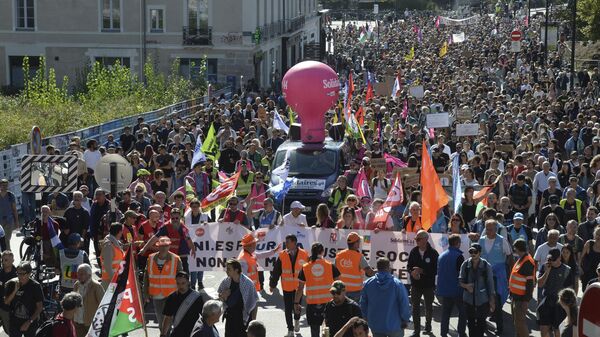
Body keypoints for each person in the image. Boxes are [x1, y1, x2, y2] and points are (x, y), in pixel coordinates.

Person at [295, 242, 340, 337]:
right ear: (323, 252)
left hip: (312, 304)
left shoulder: (305, 267)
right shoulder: (330, 266)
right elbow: (338, 284)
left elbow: (300, 288)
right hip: (329, 304)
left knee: (314, 331)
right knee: (328, 331)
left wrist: (296, 303)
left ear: (312, 252)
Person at [269, 234, 309, 336]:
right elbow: (276, 271)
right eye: (285, 242)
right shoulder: (282, 255)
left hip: (298, 287)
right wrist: (272, 284)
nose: (285, 244)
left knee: (297, 306)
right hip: (286, 286)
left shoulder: (304, 255)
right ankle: (290, 329)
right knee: (287, 308)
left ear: (294, 243)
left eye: (287, 242)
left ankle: (296, 320)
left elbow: (308, 270)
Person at [361, 257, 411, 337]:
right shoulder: (397, 284)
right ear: (388, 268)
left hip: (376, 325)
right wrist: (405, 319)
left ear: (377, 268)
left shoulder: (368, 283)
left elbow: (363, 303)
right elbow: (404, 303)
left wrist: (366, 318)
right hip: (395, 326)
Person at [478, 219, 512, 334]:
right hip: (484, 275)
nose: (488, 231)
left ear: (496, 229)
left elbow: (509, 255)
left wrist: (507, 273)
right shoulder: (481, 240)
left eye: (490, 229)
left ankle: (500, 327)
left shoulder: (502, 240)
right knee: (483, 301)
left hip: (497, 276)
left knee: (497, 302)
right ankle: (482, 325)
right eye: (486, 229)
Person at [140, 207, 196, 273]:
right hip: (170, 257)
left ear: (180, 217)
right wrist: (144, 248)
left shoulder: (183, 227)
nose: (175, 220)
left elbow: (188, 239)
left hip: (182, 256)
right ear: (170, 217)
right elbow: (154, 238)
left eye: (177, 218)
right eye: (173, 218)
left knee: (184, 276)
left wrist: (193, 249)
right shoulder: (165, 227)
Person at [143, 236, 183, 327]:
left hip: (171, 296)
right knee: (161, 322)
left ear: (169, 246)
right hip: (157, 296)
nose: (164, 248)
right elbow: (146, 277)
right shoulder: (151, 258)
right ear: (158, 246)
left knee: (170, 321)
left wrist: (182, 294)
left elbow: (181, 278)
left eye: (166, 246)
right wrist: (145, 293)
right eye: (161, 246)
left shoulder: (176, 259)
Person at [459, 243, 495, 337]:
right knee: (471, 325)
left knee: (481, 324)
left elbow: (490, 284)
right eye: (471, 251)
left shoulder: (486, 266)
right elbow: (460, 281)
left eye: (475, 252)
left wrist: (492, 301)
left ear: (480, 253)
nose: (473, 253)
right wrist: (466, 286)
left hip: (482, 300)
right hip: (468, 300)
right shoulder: (465, 264)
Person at [407, 230, 438, 337]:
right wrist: (412, 272)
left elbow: (436, 270)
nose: (417, 241)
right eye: (416, 239)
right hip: (416, 285)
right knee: (415, 308)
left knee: (428, 307)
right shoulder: (414, 251)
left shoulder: (433, 253)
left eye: (419, 239)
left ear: (425, 239)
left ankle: (428, 327)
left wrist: (422, 271)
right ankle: (416, 331)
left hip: (428, 285)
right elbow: (409, 266)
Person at [160, 271, 210, 337]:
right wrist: (163, 334)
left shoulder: (197, 297)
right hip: (177, 332)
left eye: (183, 283)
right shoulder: (171, 298)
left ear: (188, 282)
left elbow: (204, 316)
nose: (180, 286)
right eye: (178, 283)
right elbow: (167, 317)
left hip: (193, 332)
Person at [218, 259, 258, 337]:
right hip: (230, 318)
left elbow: (254, 302)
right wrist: (223, 295)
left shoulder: (248, 283)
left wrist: (253, 321)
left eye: (229, 269)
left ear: (236, 270)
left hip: (243, 318)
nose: (226, 271)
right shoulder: (226, 282)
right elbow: (220, 297)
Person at [436, 234, 466, 337]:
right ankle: (461, 333)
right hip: (457, 290)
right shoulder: (459, 256)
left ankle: (443, 334)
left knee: (445, 314)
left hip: (444, 290)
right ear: (457, 243)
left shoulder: (441, 255)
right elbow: (461, 275)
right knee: (463, 313)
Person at [3, 262, 44, 337]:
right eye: (18, 273)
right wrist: (15, 290)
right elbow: (6, 302)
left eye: (23, 274)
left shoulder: (35, 286)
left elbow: (40, 307)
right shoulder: (12, 283)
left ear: (29, 274)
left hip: (30, 322)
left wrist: (29, 322)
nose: (20, 276)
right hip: (14, 322)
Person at [538, 249, 571, 337]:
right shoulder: (545, 266)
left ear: (559, 258)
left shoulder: (567, 270)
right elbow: (540, 284)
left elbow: (570, 290)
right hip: (547, 301)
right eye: (550, 259)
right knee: (543, 329)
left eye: (553, 260)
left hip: (560, 303)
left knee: (557, 329)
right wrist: (547, 271)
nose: (551, 262)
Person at [335, 232, 375, 303]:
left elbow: (334, 273)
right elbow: (370, 272)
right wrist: (381, 271)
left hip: (341, 291)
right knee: (354, 313)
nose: (359, 243)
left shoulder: (338, 255)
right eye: (359, 241)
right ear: (355, 243)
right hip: (355, 292)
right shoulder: (359, 257)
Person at [509, 239, 536, 337]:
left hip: (521, 299)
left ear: (517, 248)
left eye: (514, 248)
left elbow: (529, 284)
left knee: (520, 324)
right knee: (517, 324)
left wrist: (526, 301)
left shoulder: (527, 261)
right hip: (516, 297)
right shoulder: (522, 258)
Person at [72, 263, 104, 337]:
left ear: (89, 275)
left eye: (82, 274)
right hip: (77, 321)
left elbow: (102, 305)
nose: (79, 276)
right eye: (78, 274)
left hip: (91, 323)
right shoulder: (76, 285)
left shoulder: (96, 286)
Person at [100, 223, 125, 289]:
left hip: (114, 279)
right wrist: (115, 281)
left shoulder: (114, 243)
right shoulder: (109, 245)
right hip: (110, 281)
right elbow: (107, 266)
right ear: (119, 232)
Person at [0, 250, 17, 334]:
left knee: (10, 331)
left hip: (10, 309)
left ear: (12, 260)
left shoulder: (17, 274)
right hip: (1, 306)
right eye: (2, 260)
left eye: (6, 260)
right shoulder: (0, 272)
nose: (3, 262)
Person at [0, 179, 19, 251]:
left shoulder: (11, 195)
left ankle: (8, 257)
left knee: (6, 239)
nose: (4, 187)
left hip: (9, 221)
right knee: (2, 241)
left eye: (6, 185)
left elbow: (14, 210)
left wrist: (17, 222)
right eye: (3, 185)